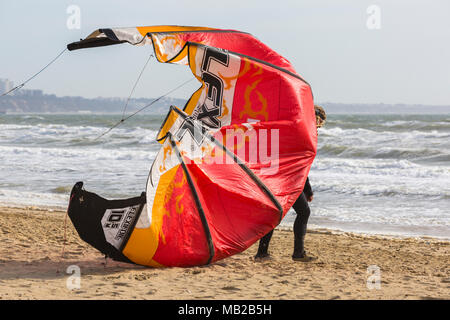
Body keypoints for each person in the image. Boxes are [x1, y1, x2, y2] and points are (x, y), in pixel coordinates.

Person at [255, 105, 327, 262]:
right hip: (287, 180)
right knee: (300, 212)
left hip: (281, 177)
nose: (319, 125)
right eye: (319, 121)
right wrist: (308, 190)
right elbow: (301, 165)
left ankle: (263, 253)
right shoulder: (305, 134)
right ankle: (296, 254)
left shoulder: (297, 130)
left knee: (278, 213)